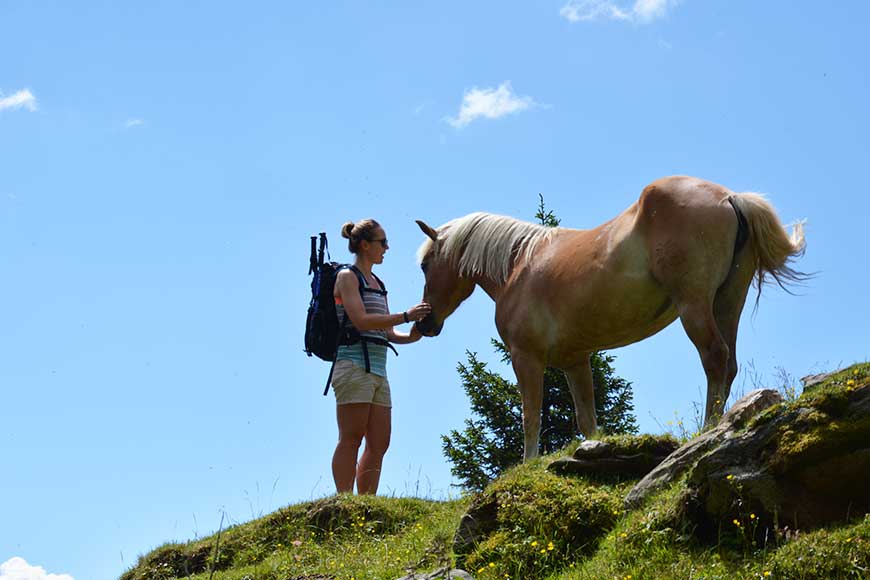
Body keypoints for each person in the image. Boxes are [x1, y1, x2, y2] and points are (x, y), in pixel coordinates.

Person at [331, 218, 431, 494]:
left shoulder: (377, 282)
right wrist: (405, 315)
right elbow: (361, 321)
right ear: (365, 245)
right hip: (352, 365)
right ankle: (344, 501)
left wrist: (416, 329)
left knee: (379, 442)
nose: (386, 247)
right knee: (351, 437)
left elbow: (389, 333)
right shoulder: (347, 277)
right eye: (382, 242)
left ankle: (365, 505)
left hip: (377, 370)